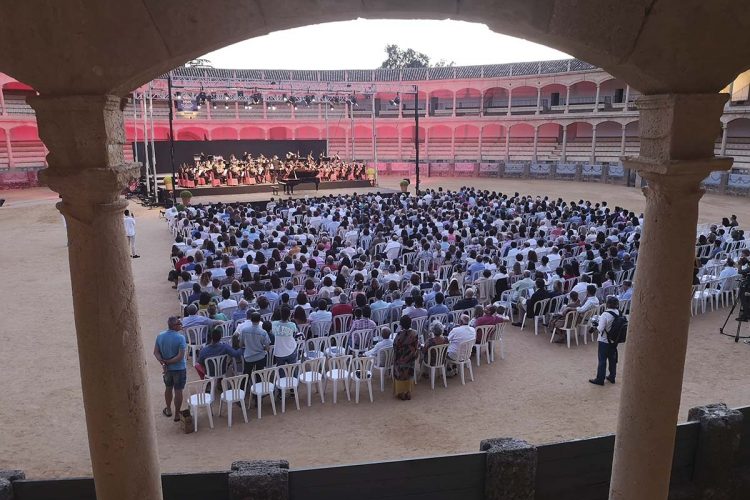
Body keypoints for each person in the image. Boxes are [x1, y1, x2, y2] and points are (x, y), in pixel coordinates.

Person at [153, 316, 186, 422]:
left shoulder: (160, 336)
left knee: (168, 388)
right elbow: (180, 357)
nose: (181, 325)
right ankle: (177, 414)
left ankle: (168, 409)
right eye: (179, 324)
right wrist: (168, 362)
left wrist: (163, 362)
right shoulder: (181, 338)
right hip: (179, 369)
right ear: (174, 326)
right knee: (178, 390)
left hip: (167, 369)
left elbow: (156, 352)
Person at [589, 296, 621, 386]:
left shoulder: (605, 314)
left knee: (602, 360)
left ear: (607, 304)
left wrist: (596, 325)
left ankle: (600, 379)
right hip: (614, 339)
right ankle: (612, 376)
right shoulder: (619, 312)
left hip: (604, 340)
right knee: (612, 359)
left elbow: (600, 328)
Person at [392, 315, 419, 401]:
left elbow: (395, 347)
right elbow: (416, 346)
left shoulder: (399, 335)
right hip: (411, 359)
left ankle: (401, 392)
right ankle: (408, 392)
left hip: (401, 360)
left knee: (399, 373)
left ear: (401, 325)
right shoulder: (415, 333)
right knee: (409, 374)